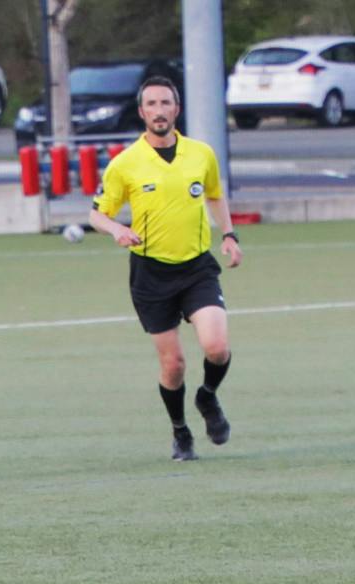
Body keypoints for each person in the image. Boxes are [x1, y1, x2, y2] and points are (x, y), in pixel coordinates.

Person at [85, 76, 242, 461]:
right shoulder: (125, 164)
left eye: (166, 103)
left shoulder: (201, 153)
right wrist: (117, 229)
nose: (159, 110)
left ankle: (207, 397)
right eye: (151, 104)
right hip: (151, 274)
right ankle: (180, 431)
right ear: (142, 113)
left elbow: (215, 195)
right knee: (173, 364)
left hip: (197, 267)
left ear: (177, 109)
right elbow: (95, 214)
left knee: (217, 348)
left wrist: (230, 235)